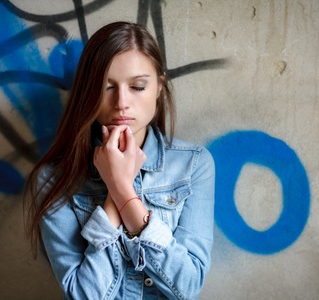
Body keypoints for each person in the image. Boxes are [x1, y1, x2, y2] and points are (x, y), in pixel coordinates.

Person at [24, 21, 215, 299]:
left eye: (138, 86)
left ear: (159, 88)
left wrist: (120, 187)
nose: (121, 102)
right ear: (88, 91)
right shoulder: (55, 178)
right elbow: (83, 294)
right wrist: (118, 185)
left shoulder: (194, 165)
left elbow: (187, 285)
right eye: (106, 87)